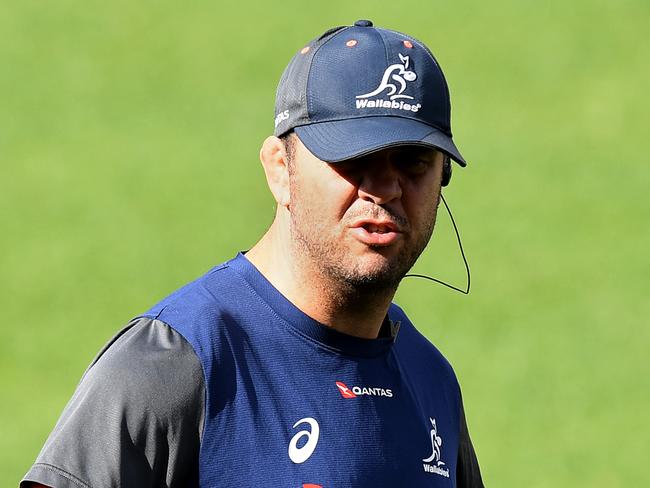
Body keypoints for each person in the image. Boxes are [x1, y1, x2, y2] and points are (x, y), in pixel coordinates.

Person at [22, 19, 484, 487]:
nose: (384, 188)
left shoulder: (431, 381)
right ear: (280, 169)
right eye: (353, 157)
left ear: (443, 176)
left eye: (413, 161)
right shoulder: (175, 363)